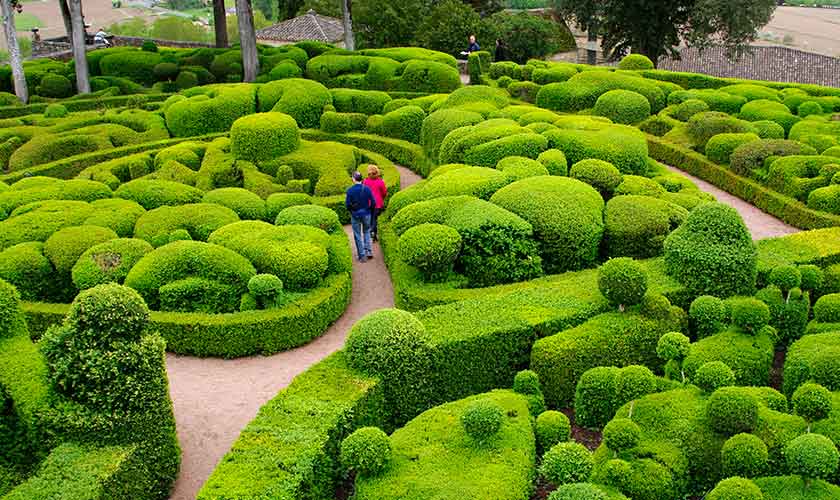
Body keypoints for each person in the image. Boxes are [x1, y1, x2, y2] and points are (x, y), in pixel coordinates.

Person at [345, 171, 375, 262]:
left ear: (354, 179)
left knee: (357, 234)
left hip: (355, 215)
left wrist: (352, 212)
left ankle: (362, 256)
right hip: (366, 214)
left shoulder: (350, 190)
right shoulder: (367, 189)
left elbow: (347, 205)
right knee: (366, 231)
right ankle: (369, 251)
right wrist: (368, 210)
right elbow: (373, 202)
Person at [363, 164, 387, 241]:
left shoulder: (366, 181)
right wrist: (382, 198)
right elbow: (384, 193)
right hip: (378, 204)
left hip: (368, 203)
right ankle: (373, 231)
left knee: (371, 219)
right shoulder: (380, 182)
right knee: (375, 218)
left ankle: (373, 233)